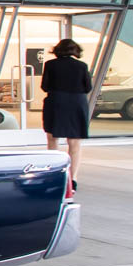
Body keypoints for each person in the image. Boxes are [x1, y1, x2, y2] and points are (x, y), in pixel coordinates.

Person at [42, 38, 91, 198]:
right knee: (74, 143)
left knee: (53, 139)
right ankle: (73, 179)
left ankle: (55, 174)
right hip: (77, 102)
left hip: (56, 101)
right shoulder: (82, 66)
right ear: (75, 50)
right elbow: (87, 87)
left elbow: (45, 86)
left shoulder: (50, 65)